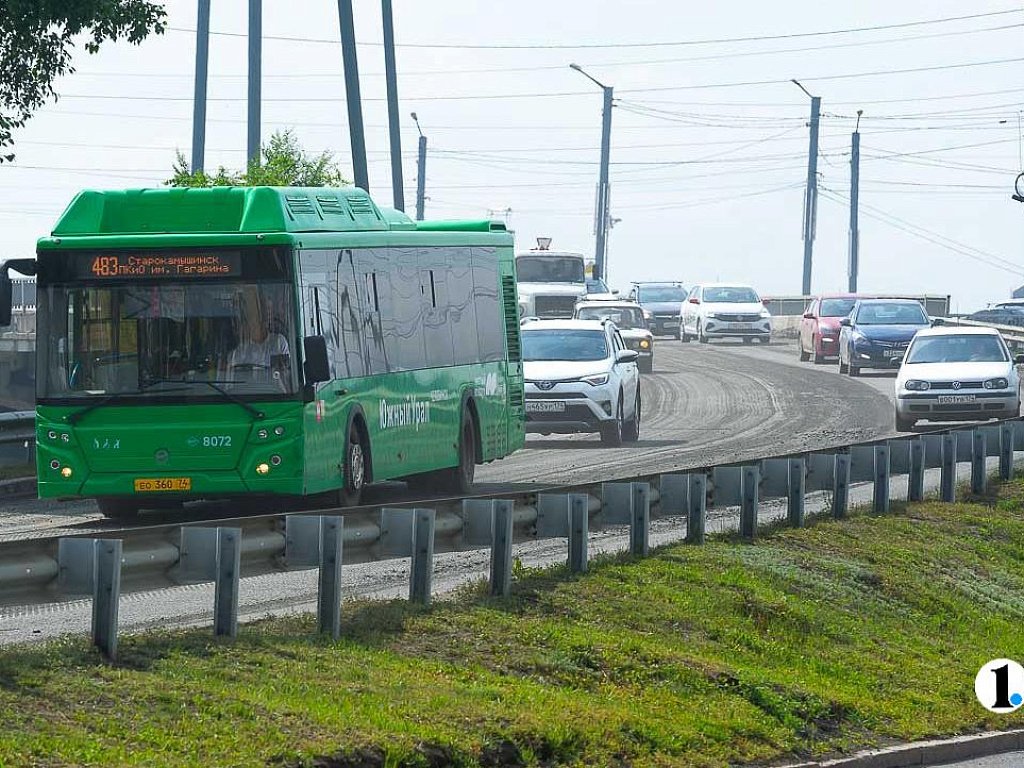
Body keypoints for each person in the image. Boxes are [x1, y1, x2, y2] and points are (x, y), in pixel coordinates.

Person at [226, 287, 291, 390]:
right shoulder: (239, 351)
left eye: (258, 316)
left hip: (274, 396)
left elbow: (284, 376)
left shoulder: (278, 342)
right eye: (251, 317)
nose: (255, 322)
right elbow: (231, 385)